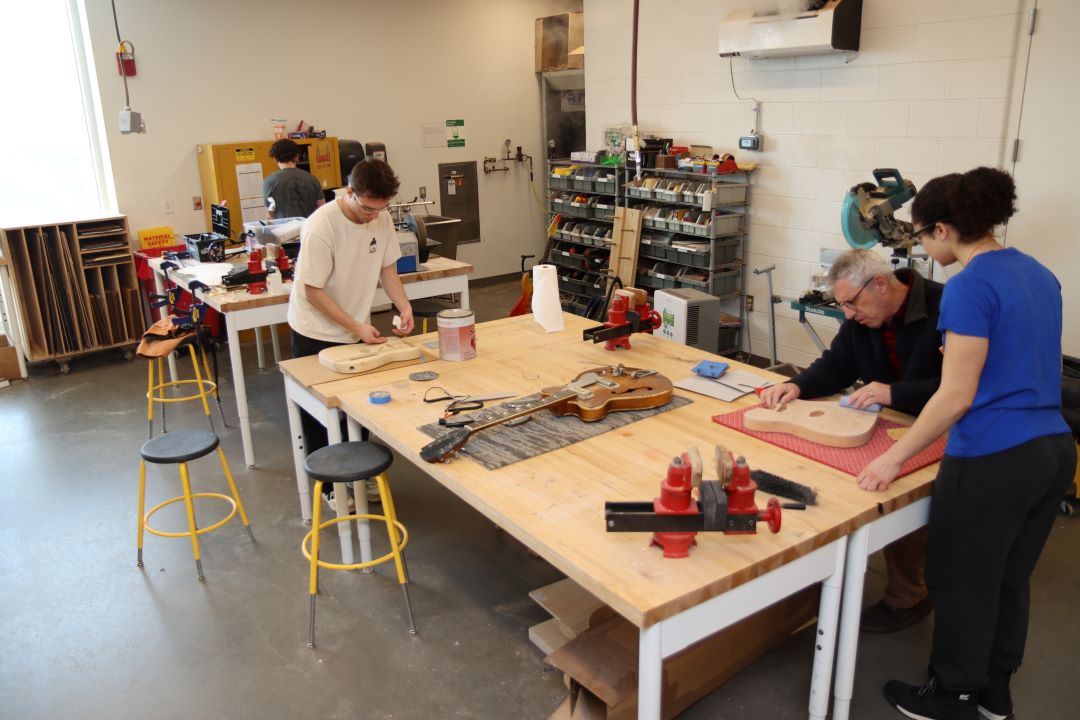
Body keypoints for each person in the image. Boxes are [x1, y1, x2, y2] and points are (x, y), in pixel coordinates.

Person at [856, 167, 1075, 720]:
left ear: (944, 230)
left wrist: (893, 456)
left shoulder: (969, 287)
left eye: (923, 236)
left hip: (995, 458)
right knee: (1007, 580)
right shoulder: (1040, 274)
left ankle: (952, 694)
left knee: (959, 580)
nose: (924, 248)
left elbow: (956, 396)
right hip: (1053, 450)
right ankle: (994, 693)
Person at [760, 248, 943, 633]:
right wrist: (797, 385)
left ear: (879, 284)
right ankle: (816, 579)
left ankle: (909, 597)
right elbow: (836, 365)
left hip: (938, 424)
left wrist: (894, 394)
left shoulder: (945, 307)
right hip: (889, 421)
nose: (848, 314)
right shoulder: (862, 320)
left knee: (897, 498)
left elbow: (958, 389)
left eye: (850, 304)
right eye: (842, 305)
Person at [288, 159, 415, 505]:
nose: (375, 215)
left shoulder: (381, 217)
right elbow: (312, 291)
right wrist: (357, 326)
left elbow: (388, 268)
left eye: (381, 208)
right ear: (349, 193)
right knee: (320, 415)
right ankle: (330, 489)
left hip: (353, 327)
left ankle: (359, 475)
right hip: (316, 331)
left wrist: (402, 305)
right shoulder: (321, 227)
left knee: (356, 410)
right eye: (368, 208)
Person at [263, 139, 325, 219]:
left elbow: (270, 215)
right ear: (296, 157)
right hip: (308, 228)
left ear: (275, 159)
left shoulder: (269, 181)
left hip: (283, 230)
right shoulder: (312, 179)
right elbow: (322, 209)